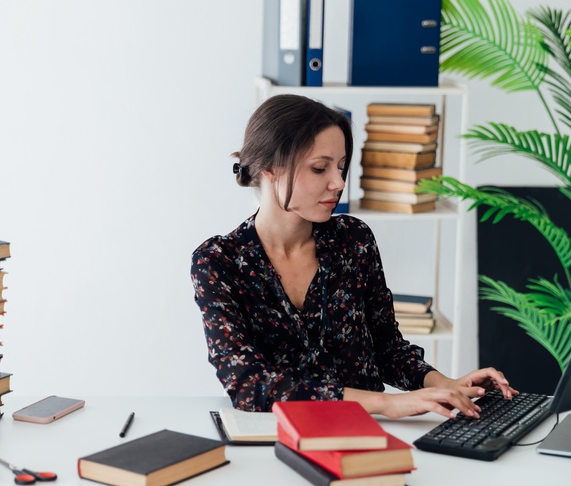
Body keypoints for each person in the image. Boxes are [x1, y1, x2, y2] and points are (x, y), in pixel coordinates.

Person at [190, 94, 516, 418]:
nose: (338, 182)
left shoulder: (353, 240)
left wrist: (446, 385)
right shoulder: (219, 262)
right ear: (270, 169)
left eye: (342, 166)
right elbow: (247, 384)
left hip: (367, 433)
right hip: (275, 443)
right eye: (320, 168)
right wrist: (386, 404)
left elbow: (386, 348)